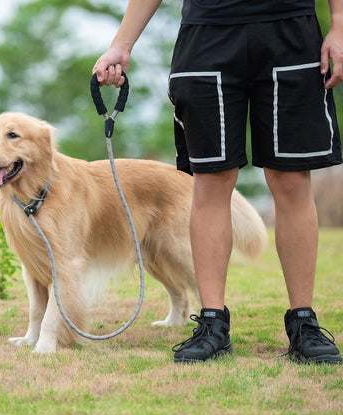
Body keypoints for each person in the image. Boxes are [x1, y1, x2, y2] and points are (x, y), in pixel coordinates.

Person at [93, 0, 343, 364]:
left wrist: (338, 24)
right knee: (209, 183)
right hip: (206, 35)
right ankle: (212, 322)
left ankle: (303, 321)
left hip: (291, 31)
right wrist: (122, 44)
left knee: (292, 182)